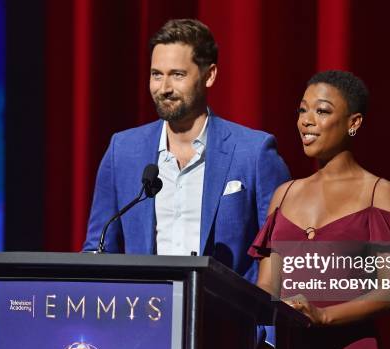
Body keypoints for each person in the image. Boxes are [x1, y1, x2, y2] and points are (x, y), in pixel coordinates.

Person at [249, 70, 390, 349]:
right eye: (302, 110)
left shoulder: (379, 193)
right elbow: (267, 288)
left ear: (354, 123)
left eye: (323, 111)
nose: (307, 121)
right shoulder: (284, 195)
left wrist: (324, 316)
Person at [83, 19, 290, 282]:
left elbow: (279, 254)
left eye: (177, 75)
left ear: (210, 75)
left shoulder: (254, 152)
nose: (164, 88)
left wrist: (262, 322)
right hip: (147, 315)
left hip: (225, 318)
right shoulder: (122, 151)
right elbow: (99, 248)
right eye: (157, 74)